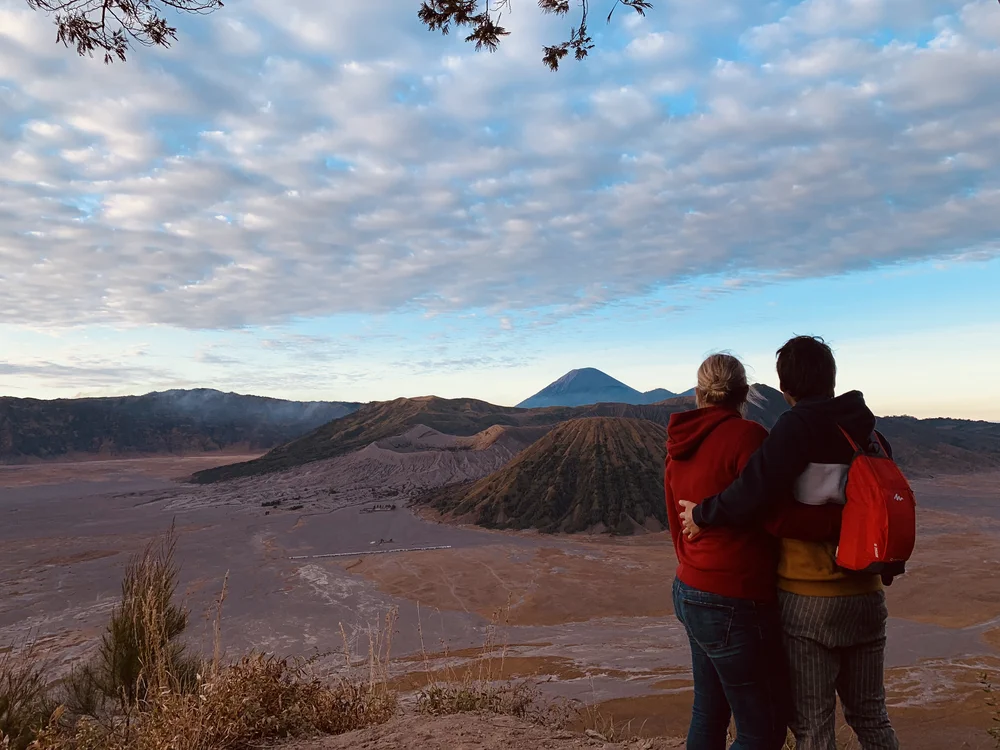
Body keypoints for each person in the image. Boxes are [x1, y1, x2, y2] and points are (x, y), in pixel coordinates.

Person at [679, 336, 900, 750]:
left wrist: (702, 514)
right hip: (867, 597)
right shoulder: (868, 432)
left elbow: (753, 493)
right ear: (832, 380)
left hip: (809, 600)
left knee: (813, 728)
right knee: (872, 718)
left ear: (785, 390)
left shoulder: (795, 428)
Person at [664, 353, 789, 750]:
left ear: (699, 393)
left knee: (709, 713)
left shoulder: (678, 445)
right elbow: (770, 512)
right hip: (735, 596)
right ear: (744, 392)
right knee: (763, 732)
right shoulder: (748, 436)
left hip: (690, 587)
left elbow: (674, 521)